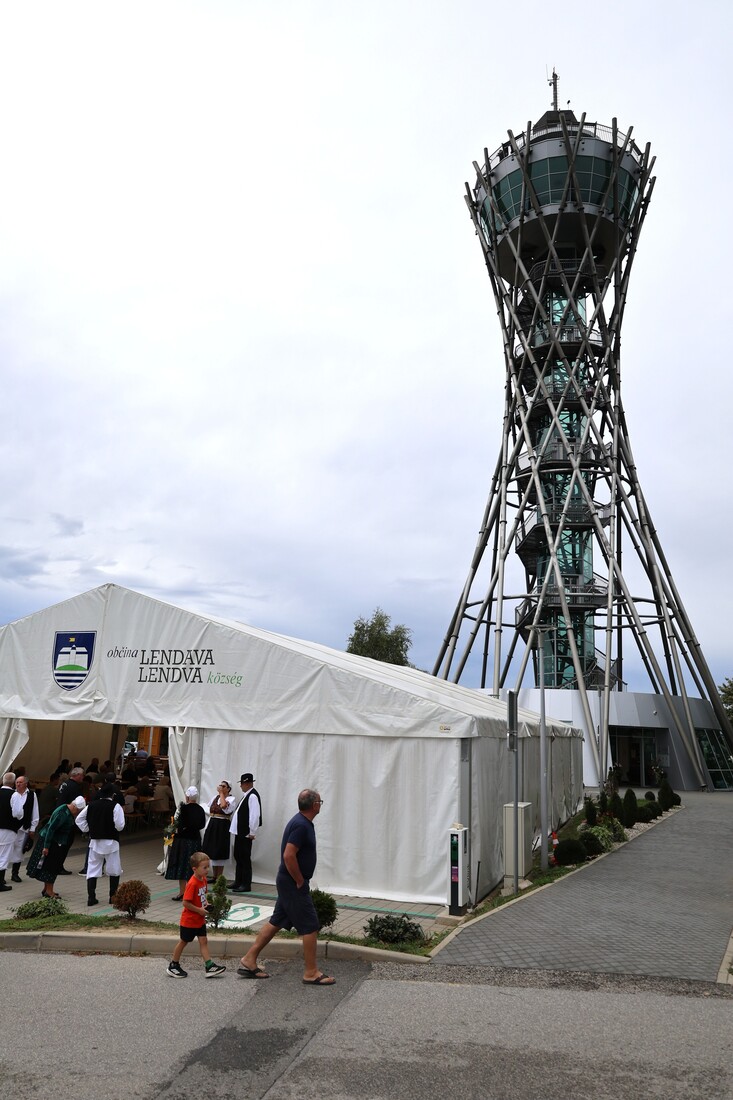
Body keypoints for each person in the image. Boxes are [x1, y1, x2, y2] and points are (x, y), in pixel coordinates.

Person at [238, 789, 335, 985]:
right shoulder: (301, 825)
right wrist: (299, 880)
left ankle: (249, 958)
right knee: (310, 925)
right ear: (314, 805)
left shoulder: (301, 822)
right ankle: (311, 972)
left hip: (287, 881)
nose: (320, 805)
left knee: (277, 921)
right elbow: (289, 855)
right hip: (292, 882)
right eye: (320, 802)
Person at [166, 852, 226, 979]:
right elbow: (185, 903)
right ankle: (173, 965)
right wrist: (199, 910)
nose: (207, 870)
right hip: (189, 921)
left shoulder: (203, 880)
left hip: (199, 919)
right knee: (184, 941)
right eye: (204, 867)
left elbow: (202, 896)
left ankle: (209, 966)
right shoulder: (192, 883)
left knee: (203, 941)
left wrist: (206, 904)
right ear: (194, 869)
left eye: (208, 866)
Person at [26, 795, 87, 898]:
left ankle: (46, 889)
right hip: (51, 841)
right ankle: (49, 891)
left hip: (53, 841)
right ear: (75, 807)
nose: (77, 813)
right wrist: (46, 846)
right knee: (51, 866)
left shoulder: (65, 808)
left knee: (48, 865)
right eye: (78, 811)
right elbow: (51, 829)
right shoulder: (63, 813)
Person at [75, 782, 126, 906]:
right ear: (112, 795)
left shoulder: (91, 805)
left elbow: (79, 819)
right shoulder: (116, 806)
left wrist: (88, 829)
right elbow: (120, 826)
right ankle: (112, 897)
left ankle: (91, 897)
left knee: (92, 869)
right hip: (111, 842)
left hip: (95, 842)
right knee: (114, 870)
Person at [166, 787, 206, 899]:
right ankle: (193, 892)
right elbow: (202, 825)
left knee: (182, 865)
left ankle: (182, 892)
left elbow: (179, 825)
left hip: (183, 840)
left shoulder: (183, 808)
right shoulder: (200, 809)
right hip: (195, 839)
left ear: (187, 796)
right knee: (194, 865)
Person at [230, 772, 262, 893]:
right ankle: (238, 881)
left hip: (245, 833)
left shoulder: (252, 796)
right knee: (238, 856)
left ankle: (245, 884)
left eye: (242, 784)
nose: (240, 786)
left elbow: (255, 815)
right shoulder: (247, 795)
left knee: (244, 858)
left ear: (247, 783)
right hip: (240, 831)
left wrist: (252, 832)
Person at [201, 780, 235, 882]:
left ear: (228, 789)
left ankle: (219, 877)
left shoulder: (231, 799)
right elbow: (209, 808)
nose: (221, 787)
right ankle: (214, 876)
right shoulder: (215, 798)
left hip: (222, 826)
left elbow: (224, 806)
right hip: (213, 824)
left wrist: (221, 794)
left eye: (223, 786)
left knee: (220, 849)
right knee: (212, 849)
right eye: (220, 786)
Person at [9, 775, 39, 883]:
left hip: (24, 827)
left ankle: (15, 873)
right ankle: (2, 874)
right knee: (7, 849)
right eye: (17, 782)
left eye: (20, 782)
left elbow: (35, 811)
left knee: (19, 850)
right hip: (12, 827)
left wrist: (33, 828)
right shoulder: (12, 794)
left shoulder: (32, 795)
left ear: (26, 783)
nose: (18, 784)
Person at [55, 767, 85, 874]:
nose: (83, 777)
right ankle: (58, 866)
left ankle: (57, 864)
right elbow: (77, 804)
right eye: (82, 775)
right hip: (67, 817)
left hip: (59, 813)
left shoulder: (64, 784)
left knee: (61, 841)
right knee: (66, 841)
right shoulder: (75, 787)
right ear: (78, 775)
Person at [0, 772, 23, 891]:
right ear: (14, 783)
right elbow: (17, 813)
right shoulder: (14, 795)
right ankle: (0, 883)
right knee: (4, 855)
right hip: (7, 829)